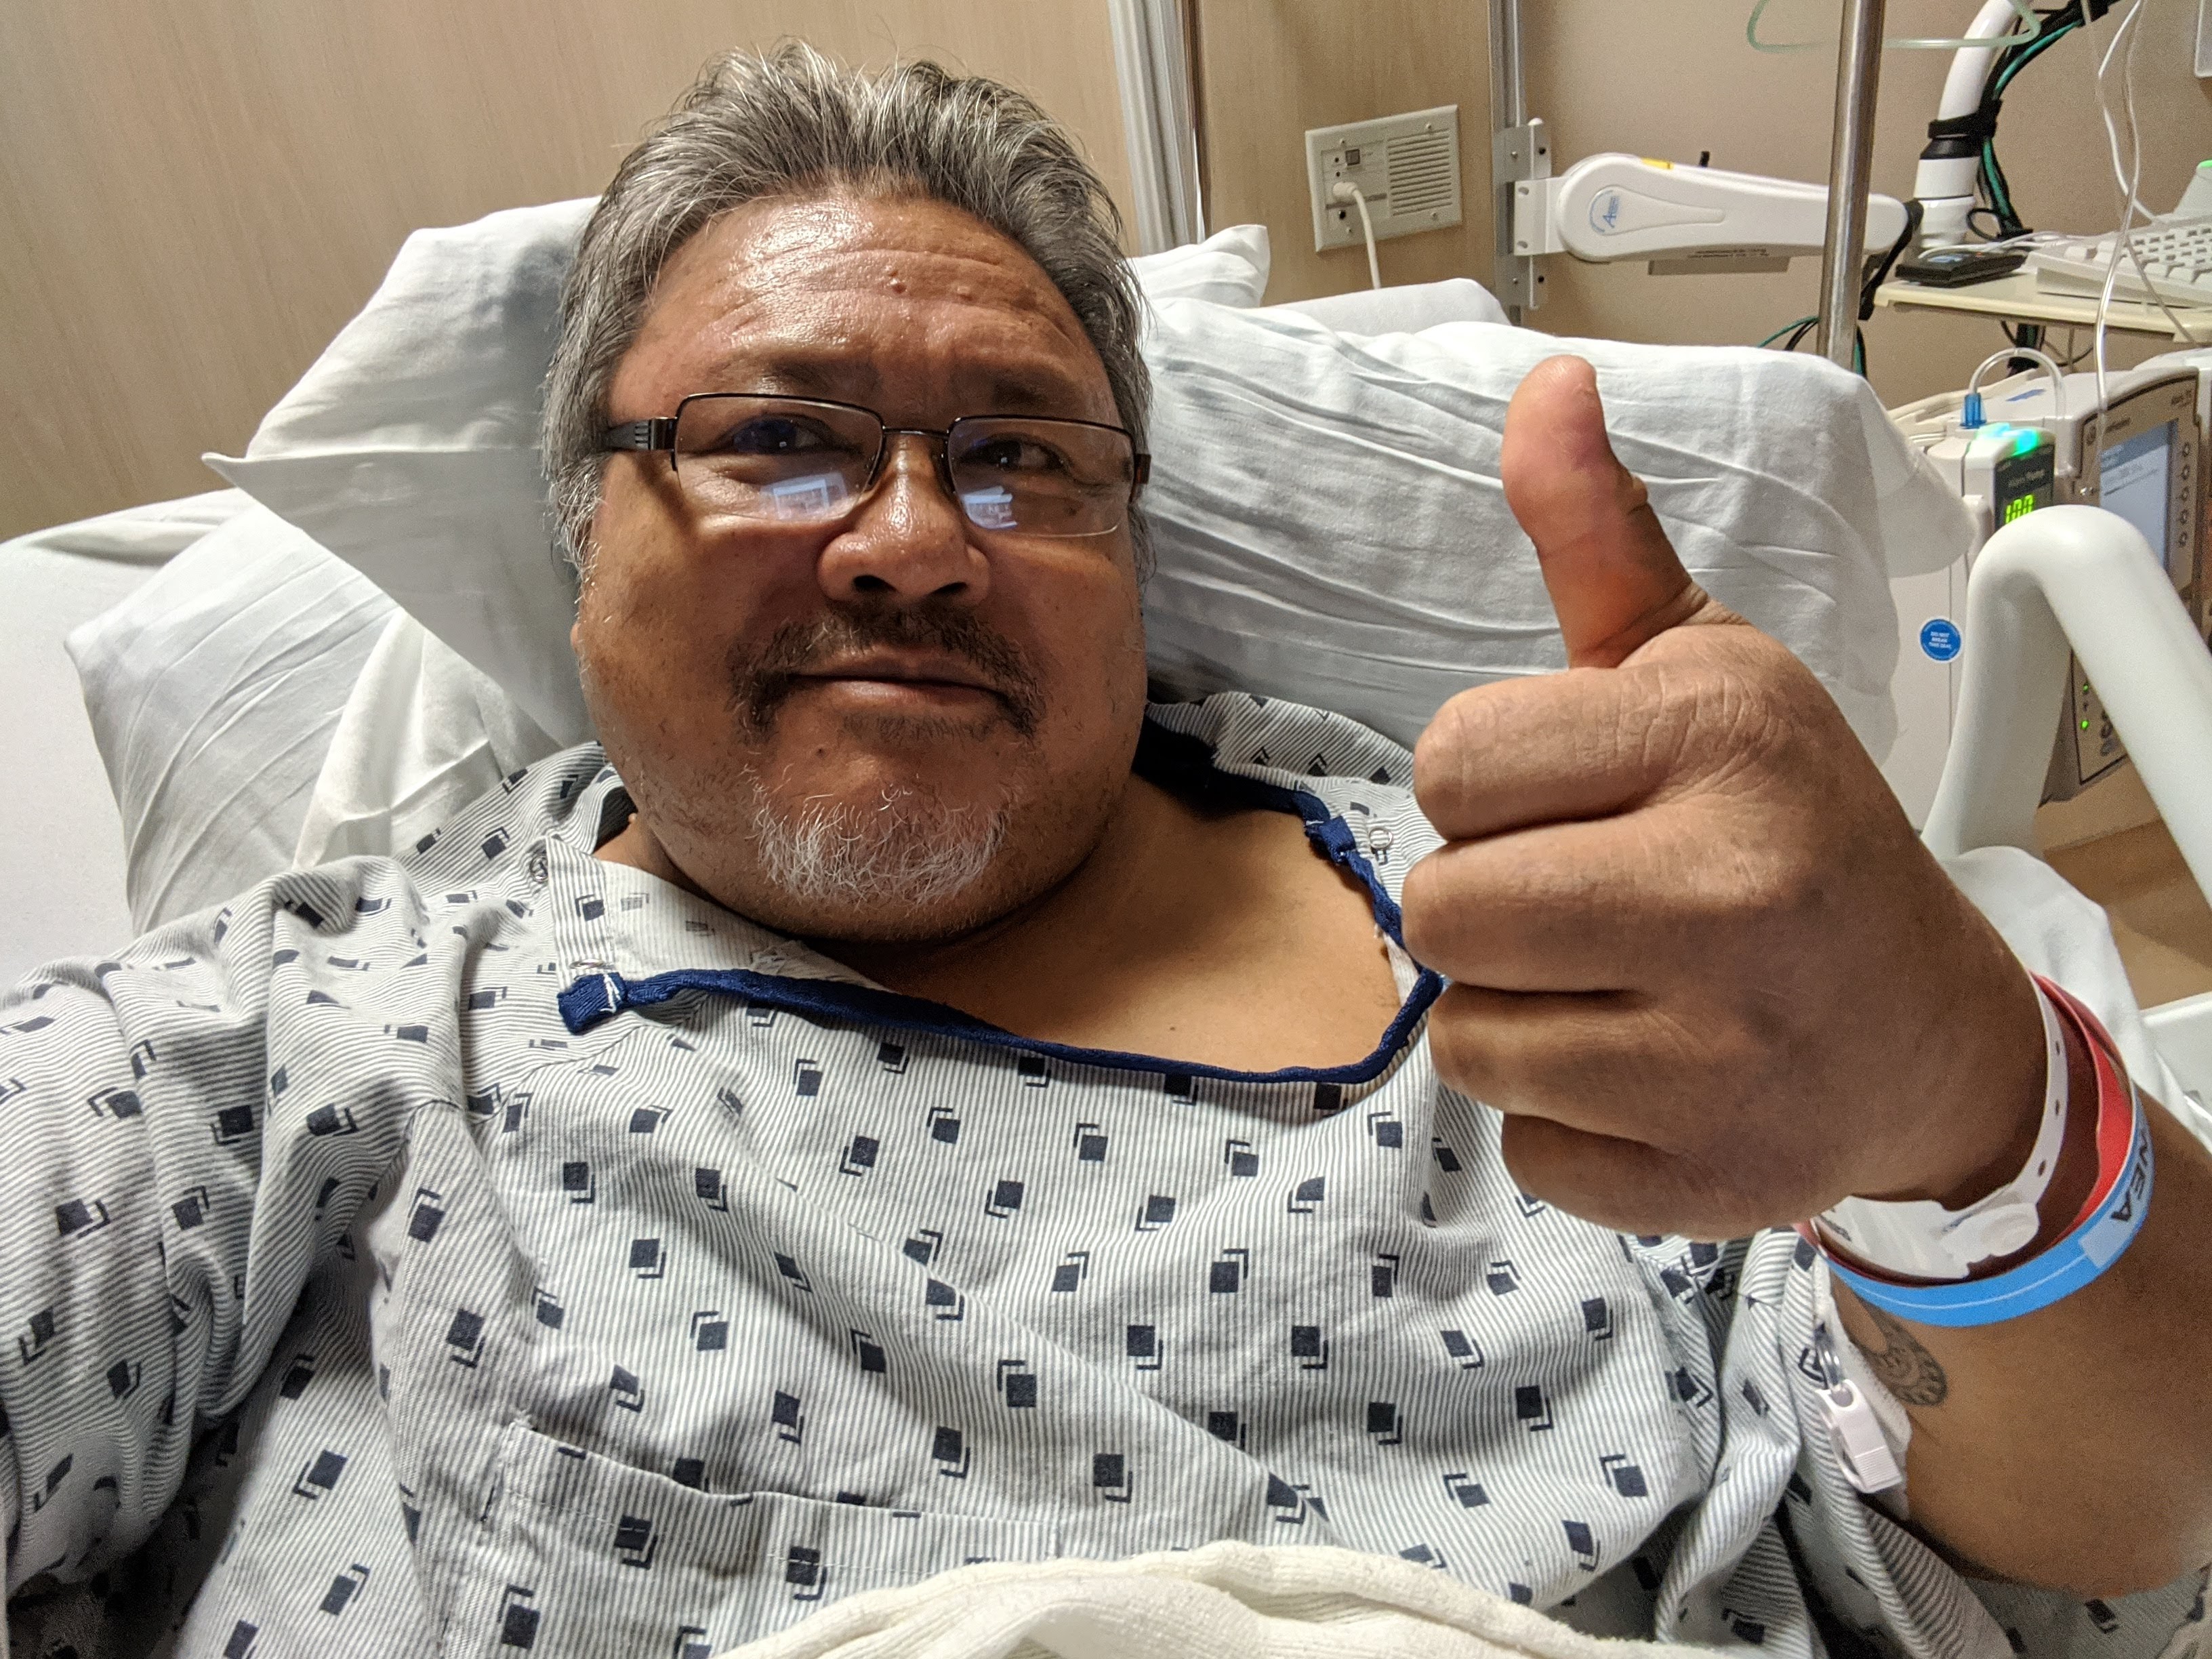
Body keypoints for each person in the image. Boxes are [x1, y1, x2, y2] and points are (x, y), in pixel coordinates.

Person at [3, 42, 2207, 1659]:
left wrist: (1976, 1111)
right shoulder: (321, 1027)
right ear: (586, 547)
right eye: (779, 438)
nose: (912, 539)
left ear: (1130, 550)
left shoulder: (1570, 919)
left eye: (1023, 456)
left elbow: (2095, 1556)